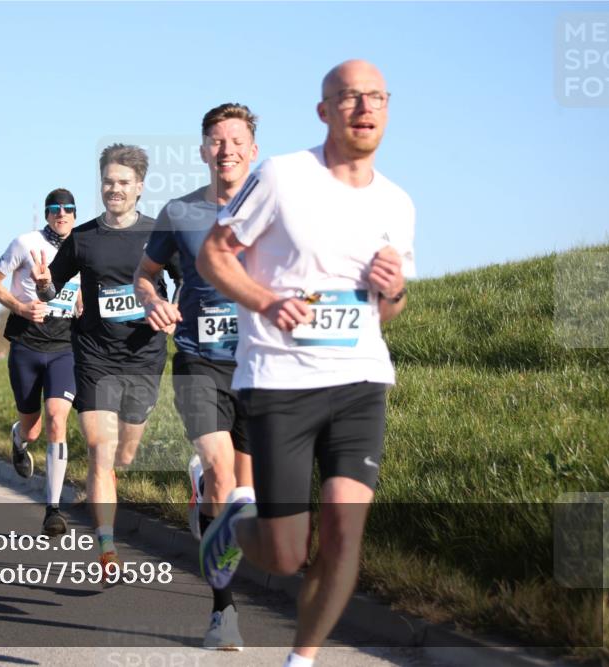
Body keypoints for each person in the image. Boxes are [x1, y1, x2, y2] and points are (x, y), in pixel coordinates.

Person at [196, 60, 415, 667]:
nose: (364, 108)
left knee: (345, 535)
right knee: (287, 554)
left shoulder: (397, 203)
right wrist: (267, 300)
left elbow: (388, 312)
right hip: (279, 381)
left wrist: (392, 290)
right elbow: (217, 255)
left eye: (375, 97)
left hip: (361, 381)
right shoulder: (283, 176)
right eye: (348, 98)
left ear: (387, 109)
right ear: (325, 111)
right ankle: (235, 524)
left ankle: (302, 660)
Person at [133, 102, 259, 650]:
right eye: (216, 139)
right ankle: (222, 612)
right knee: (220, 469)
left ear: (253, 150)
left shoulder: (279, 210)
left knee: (246, 499)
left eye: (236, 139)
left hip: (262, 365)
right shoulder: (179, 213)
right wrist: (152, 300)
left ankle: (202, 500)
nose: (226, 147)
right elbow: (145, 274)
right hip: (198, 359)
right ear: (203, 150)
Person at [33, 145, 180, 583]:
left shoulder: (160, 234)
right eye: (107, 182)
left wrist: (172, 310)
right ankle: (107, 548)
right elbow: (49, 290)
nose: (114, 189)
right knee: (100, 450)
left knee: (125, 453)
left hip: (144, 354)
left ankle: (114, 489)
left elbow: (185, 281)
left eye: (122, 182)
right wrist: (43, 287)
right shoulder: (83, 238)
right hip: (94, 354)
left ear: (138, 187)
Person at [0, 188, 81, 536]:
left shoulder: (83, 245)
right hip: (26, 342)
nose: (61, 213)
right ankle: (19, 438)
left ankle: (52, 510)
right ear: (47, 213)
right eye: (55, 208)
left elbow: (84, 292)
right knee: (33, 427)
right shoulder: (24, 243)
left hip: (64, 346)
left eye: (68, 208)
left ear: (74, 212)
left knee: (57, 418)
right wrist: (21, 307)